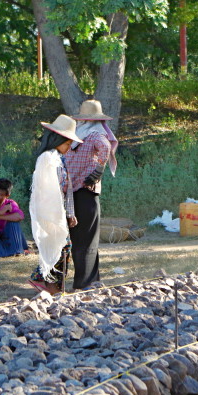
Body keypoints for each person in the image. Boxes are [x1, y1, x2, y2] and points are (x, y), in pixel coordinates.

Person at [67, 99, 118, 290]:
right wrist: (99, 170)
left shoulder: (74, 136)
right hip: (87, 192)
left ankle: (88, 279)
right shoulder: (96, 134)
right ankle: (86, 281)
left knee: (77, 239)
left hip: (70, 194)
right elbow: (105, 147)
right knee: (88, 239)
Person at [28, 114, 82, 294]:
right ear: (57, 140)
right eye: (67, 143)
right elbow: (47, 191)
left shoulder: (59, 159)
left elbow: (67, 189)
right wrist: (56, 214)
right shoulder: (47, 159)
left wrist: (69, 212)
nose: (68, 148)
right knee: (59, 246)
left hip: (59, 211)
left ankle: (54, 284)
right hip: (49, 212)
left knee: (63, 247)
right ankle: (47, 283)